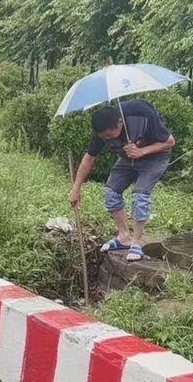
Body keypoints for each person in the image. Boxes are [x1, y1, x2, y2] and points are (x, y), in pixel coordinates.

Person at [69, 99, 176, 263]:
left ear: (119, 123)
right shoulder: (101, 129)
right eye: (104, 137)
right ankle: (124, 237)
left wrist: (142, 151)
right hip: (127, 161)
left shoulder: (141, 112)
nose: (107, 139)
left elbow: (170, 142)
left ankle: (137, 241)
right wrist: (76, 188)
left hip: (155, 158)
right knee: (111, 192)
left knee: (140, 195)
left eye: (109, 136)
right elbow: (89, 157)